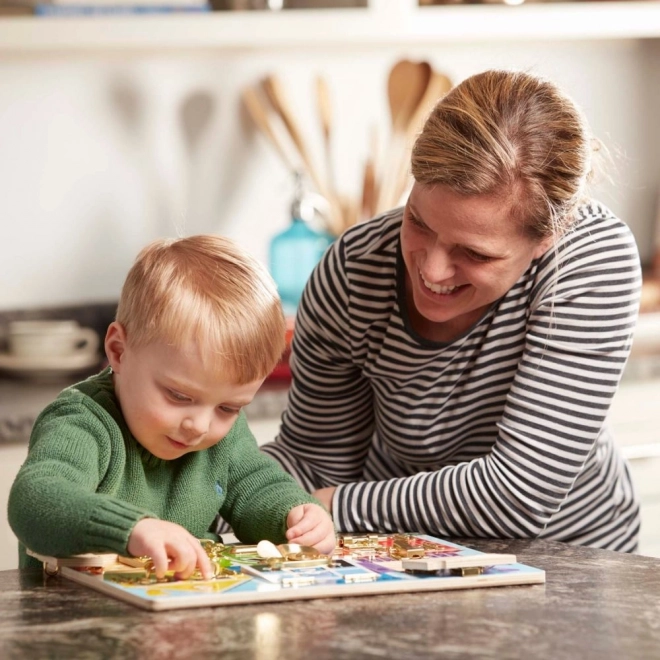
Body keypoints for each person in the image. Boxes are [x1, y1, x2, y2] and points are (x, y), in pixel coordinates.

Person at [261, 69, 642, 552]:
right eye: (417, 222)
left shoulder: (590, 257)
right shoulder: (353, 273)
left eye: (475, 253)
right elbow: (316, 463)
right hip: (403, 549)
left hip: (572, 553)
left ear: (547, 238)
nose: (433, 271)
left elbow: (519, 493)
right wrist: (213, 486)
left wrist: (339, 507)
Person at [9, 235, 335, 579]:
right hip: (75, 622)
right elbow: (35, 501)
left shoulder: (219, 436)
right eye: (179, 396)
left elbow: (259, 486)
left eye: (228, 408)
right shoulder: (81, 421)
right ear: (118, 350)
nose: (200, 425)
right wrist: (133, 529)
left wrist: (296, 515)